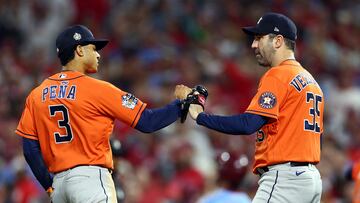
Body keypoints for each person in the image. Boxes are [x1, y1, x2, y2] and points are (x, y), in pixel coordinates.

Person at [15, 24, 190, 203]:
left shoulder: (36, 95)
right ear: (79, 50)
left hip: (59, 186)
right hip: (90, 180)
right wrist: (183, 104)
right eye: (93, 49)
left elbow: (30, 150)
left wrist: (50, 186)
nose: (98, 54)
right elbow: (147, 122)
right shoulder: (98, 89)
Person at [181, 12, 324, 202]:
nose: (253, 45)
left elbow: (248, 124)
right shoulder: (311, 81)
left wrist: (201, 116)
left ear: (278, 41)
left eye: (259, 38)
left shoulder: (279, 75)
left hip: (285, 179)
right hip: (311, 179)